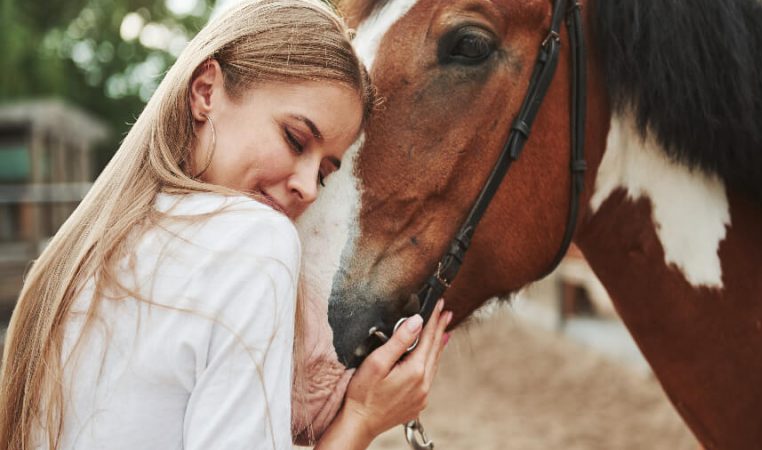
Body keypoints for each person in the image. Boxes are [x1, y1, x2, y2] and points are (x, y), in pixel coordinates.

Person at [0, 0, 452, 448]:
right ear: (206, 91)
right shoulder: (257, 242)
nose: (309, 189)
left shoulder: (84, 254)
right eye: (295, 139)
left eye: (323, 172)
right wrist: (361, 418)